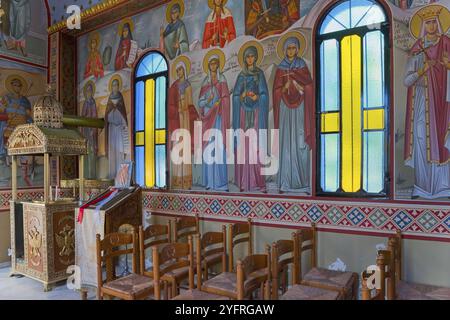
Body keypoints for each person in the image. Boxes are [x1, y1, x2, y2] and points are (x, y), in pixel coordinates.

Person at [403, 5, 450, 199]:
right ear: (423, 26)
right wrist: (422, 69)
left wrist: (447, 65)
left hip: (441, 101)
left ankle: (443, 186)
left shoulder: (446, 43)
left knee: (440, 140)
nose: (431, 26)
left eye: (433, 22)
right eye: (427, 23)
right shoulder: (418, 49)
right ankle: (422, 186)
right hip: (422, 102)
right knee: (422, 139)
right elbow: (407, 80)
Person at [273, 34, 313, 193]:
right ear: (285, 50)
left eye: (293, 48)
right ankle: (284, 183)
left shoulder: (301, 65)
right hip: (284, 108)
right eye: (288, 48)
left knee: (299, 141)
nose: (291, 51)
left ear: (297, 49)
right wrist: (284, 88)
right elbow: (276, 90)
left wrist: (298, 85)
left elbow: (309, 86)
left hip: (300, 108)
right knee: (285, 143)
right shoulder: (280, 68)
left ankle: (301, 183)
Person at [232, 43, 269, 192]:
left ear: (255, 57)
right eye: (247, 56)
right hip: (243, 115)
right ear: (244, 58)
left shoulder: (259, 74)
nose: (250, 59)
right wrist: (241, 96)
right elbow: (235, 95)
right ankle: (243, 182)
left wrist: (258, 97)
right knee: (244, 148)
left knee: (256, 147)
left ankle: (258, 182)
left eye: (252, 56)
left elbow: (265, 94)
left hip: (255, 115)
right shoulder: (241, 75)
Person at [198, 50, 230, 191]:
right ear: (208, 65)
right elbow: (200, 103)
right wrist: (209, 101)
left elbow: (226, 98)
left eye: (215, 63)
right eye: (211, 63)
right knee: (209, 150)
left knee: (219, 148)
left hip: (218, 119)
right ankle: (210, 182)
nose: (213, 65)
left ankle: (221, 183)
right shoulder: (205, 82)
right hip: (208, 119)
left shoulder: (222, 79)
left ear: (218, 65)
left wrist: (220, 103)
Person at [168, 57, 198, 189]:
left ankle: (186, 180)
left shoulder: (188, 85)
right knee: (177, 147)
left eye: (181, 69)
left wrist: (191, 112)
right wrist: (176, 109)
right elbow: (169, 105)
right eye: (177, 70)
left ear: (184, 71)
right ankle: (177, 180)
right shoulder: (173, 87)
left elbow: (190, 103)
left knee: (184, 147)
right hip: (176, 119)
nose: (179, 72)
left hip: (185, 118)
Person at [0, 76, 32, 185]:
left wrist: (27, 114)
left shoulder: (25, 100)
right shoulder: (6, 98)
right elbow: (0, 113)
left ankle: (24, 176)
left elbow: (29, 115)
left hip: (22, 128)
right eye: (14, 84)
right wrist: (8, 115)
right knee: (11, 151)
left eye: (19, 85)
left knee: (24, 151)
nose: (17, 87)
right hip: (10, 127)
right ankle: (10, 174)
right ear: (11, 86)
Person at [104, 76, 129, 179]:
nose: (115, 87)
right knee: (112, 151)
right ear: (111, 87)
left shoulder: (121, 98)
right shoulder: (110, 100)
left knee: (119, 151)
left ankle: (121, 177)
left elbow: (123, 114)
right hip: (111, 129)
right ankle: (112, 176)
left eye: (117, 85)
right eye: (113, 85)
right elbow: (106, 116)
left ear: (118, 86)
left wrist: (123, 124)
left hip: (119, 130)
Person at [81, 82, 98, 179]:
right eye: (87, 91)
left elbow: (95, 116)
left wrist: (93, 128)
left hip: (92, 129)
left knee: (92, 150)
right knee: (86, 151)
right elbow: (83, 116)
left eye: (90, 90)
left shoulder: (93, 102)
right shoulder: (85, 103)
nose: (89, 92)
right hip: (86, 130)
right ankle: (86, 175)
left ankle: (92, 175)